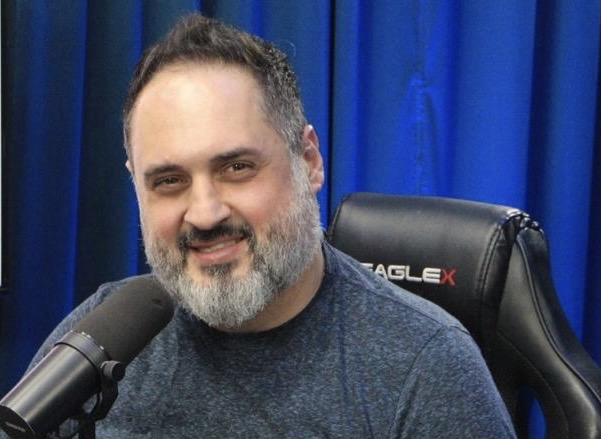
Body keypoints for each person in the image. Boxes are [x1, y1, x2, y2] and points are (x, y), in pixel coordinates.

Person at [4, 14, 516, 438]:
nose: (205, 213)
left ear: (309, 161)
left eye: (237, 167)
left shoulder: (425, 366)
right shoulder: (102, 337)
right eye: (169, 181)